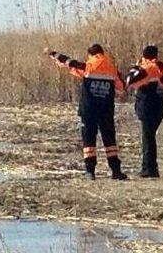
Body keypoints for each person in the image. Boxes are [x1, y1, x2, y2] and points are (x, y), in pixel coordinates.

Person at [45, 44, 128, 181]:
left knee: (89, 141)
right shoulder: (111, 68)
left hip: (89, 110)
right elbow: (121, 87)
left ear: (90, 55)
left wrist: (53, 54)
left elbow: (69, 62)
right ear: (102, 53)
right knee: (110, 141)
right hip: (106, 110)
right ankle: (116, 171)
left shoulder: (88, 67)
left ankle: (90, 171)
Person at [125, 45, 163, 178]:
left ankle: (149, 168)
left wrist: (136, 67)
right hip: (160, 105)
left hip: (147, 105)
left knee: (148, 138)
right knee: (150, 136)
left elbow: (130, 80)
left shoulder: (147, 69)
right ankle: (150, 166)